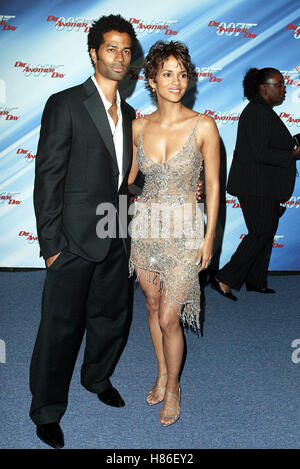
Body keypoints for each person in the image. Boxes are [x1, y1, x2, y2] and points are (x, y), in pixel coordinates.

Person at [29, 14, 138, 449]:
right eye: (111, 48)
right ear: (93, 53)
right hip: (72, 240)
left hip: (116, 232)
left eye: (126, 50)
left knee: (111, 318)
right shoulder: (66, 103)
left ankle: (97, 378)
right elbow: (48, 178)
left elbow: (123, 177)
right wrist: (52, 245)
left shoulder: (130, 113)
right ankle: (46, 410)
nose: (120, 57)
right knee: (61, 328)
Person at [128, 41, 220, 426]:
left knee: (170, 317)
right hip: (146, 227)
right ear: (151, 80)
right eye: (167, 73)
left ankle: (174, 385)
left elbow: (213, 185)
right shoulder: (137, 127)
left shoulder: (204, 125)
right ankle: (162, 371)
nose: (176, 81)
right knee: (151, 306)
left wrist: (209, 237)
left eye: (182, 74)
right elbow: (127, 182)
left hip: (184, 229)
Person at [211, 67, 300, 301]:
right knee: (261, 232)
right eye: (278, 84)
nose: (283, 88)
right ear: (264, 87)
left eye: (283, 84)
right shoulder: (258, 112)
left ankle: (256, 280)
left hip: (262, 183)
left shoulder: (263, 111)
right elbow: (261, 152)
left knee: (264, 232)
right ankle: (224, 278)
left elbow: (268, 145)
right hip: (256, 184)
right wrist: (293, 155)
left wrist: (292, 145)